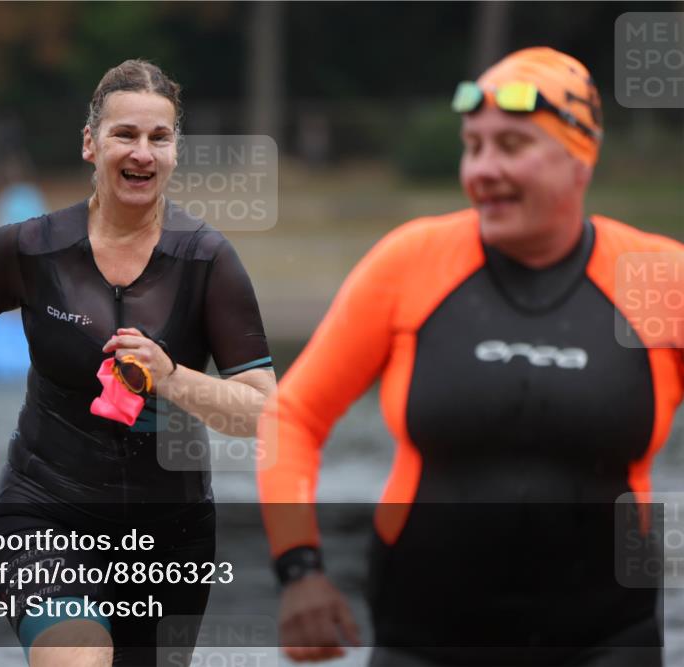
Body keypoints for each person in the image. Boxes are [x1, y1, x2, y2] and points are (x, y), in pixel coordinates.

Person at [258, 47, 682, 666]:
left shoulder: (658, 277)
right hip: (423, 642)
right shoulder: (410, 263)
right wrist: (300, 570)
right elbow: (292, 417)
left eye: (511, 146)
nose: (482, 168)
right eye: (474, 145)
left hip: (608, 640)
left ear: (579, 158)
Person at [0, 59, 275, 667]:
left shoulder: (207, 261)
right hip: (47, 508)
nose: (142, 152)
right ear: (91, 143)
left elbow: (264, 412)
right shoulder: (30, 249)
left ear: (174, 151)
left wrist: (172, 377)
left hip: (171, 532)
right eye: (125, 135)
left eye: (159, 138)